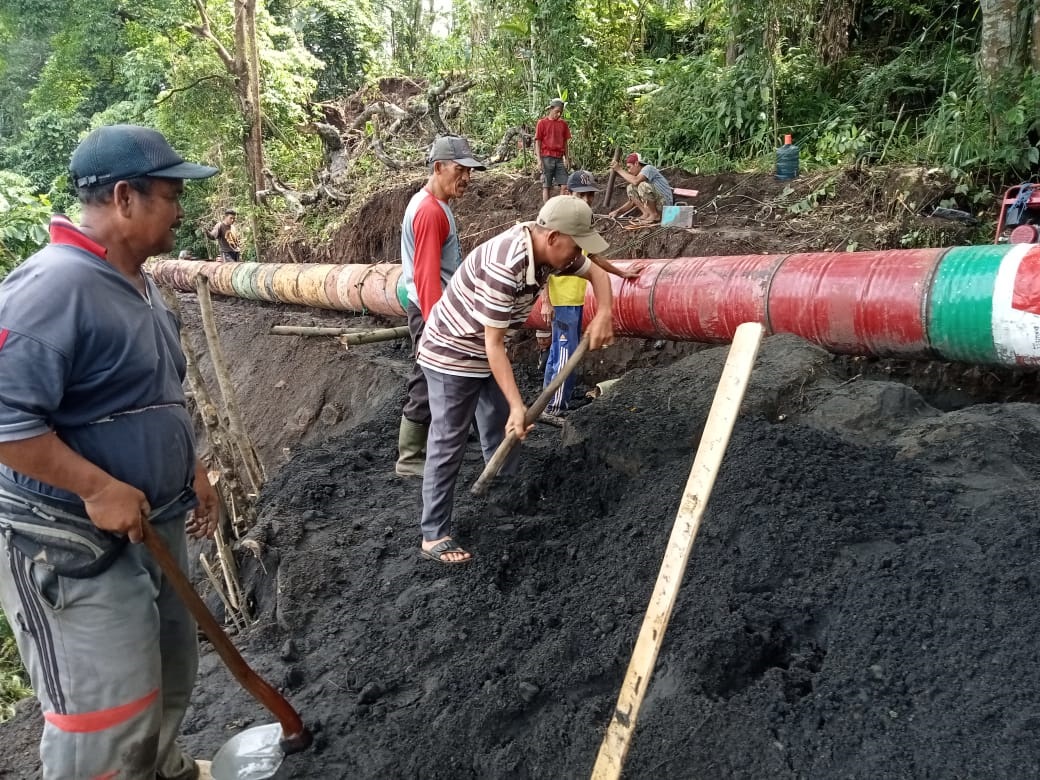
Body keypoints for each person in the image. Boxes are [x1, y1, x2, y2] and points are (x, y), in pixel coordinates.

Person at [0, 124, 221, 780]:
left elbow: (156, 396)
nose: (182, 210)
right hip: (69, 543)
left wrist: (196, 471)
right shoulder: (52, 287)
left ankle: (165, 770)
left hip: (154, 522)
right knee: (108, 711)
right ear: (125, 197)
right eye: (171, 194)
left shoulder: (141, 285)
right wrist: (95, 487)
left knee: (171, 663)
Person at [416, 195, 615, 564]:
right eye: (574, 244)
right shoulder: (506, 265)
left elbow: (597, 273)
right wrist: (518, 406)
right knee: (449, 438)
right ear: (553, 237)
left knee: (496, 426)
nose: (577, 255)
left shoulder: (550, 252)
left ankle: (504, 495)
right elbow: (493, 345)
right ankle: (433, 536)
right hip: (453, 352)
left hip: (486, 348)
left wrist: (604, 313)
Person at [396, 135, 487, 477]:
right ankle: (410, 457)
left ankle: (459, 435)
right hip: (433, 311)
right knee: (427, 377)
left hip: (440, 309)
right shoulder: (430, 211)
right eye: (461, 170)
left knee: (451, 373)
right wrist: (437, 326)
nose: (467, 178)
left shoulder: (435, 205)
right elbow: (425, 276)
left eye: (470, 171)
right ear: (439, 167)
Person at [541, 171, 642, 416]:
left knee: (559, 351)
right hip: (562, 302)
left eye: (590, 196)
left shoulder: (582, 226)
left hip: (574, 301)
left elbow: (594, 259)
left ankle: (548, 403)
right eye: (581, 195)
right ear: (568, 193)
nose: (586, 201)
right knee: (567, 354)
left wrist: (621, 273)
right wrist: (546, 301)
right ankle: (555, 407)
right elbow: (542, 265)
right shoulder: (560, 226)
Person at [609, 152, 673, 225]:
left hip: (666, 206)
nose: (629, 171)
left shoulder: (648, 168)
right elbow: (632, 202)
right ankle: (646, 213)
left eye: (629, 167)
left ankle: (654, 215)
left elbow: (635, 181)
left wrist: (619, 169)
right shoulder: (641, 177)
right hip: (658, 204)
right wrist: (617, 211)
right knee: (630, 188)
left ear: (636, 163)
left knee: (642, 185)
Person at [534, 98, 571, 203]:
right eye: (557, 111)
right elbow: (538, 142)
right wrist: (539, 159)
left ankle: (558, 207)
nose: (558, 114)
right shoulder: (542, 123)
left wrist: (566, 158)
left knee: (565, 185)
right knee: (547, 186)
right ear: (551, 109)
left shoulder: (563, 124)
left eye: (560, 112)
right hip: (546, 158)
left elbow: (565, 143)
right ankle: (548, 212)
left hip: (559, 158)